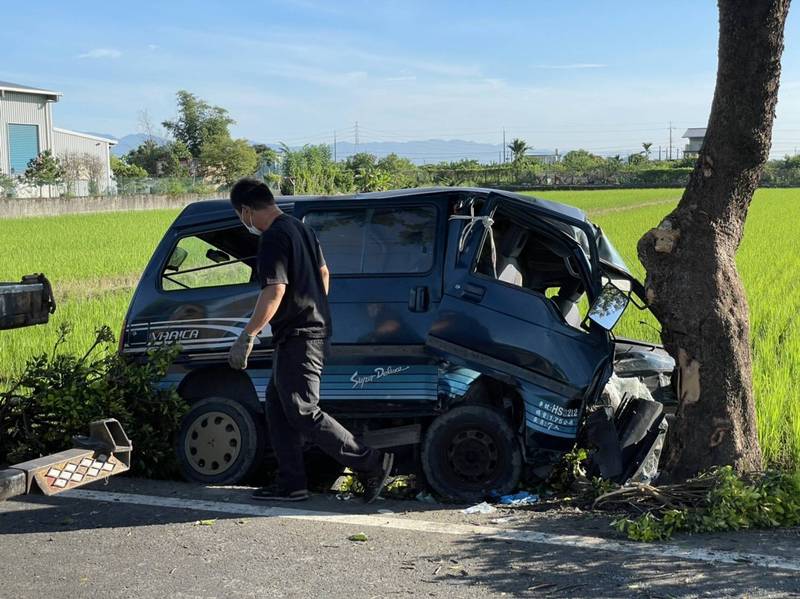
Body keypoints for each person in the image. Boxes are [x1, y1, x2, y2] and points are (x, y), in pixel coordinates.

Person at [227, 178, 393, 503]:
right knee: (278, 407)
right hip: (304, 333)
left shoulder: (274, 237)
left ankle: (372, 463)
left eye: (239, 215)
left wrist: (248, 335)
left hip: (301, 337)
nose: (242, 221)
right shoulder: (299, 228)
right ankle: (292, 484)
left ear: (246, 210)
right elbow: (325, 273)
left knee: (303, 410)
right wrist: (315, 308)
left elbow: (275, 289)